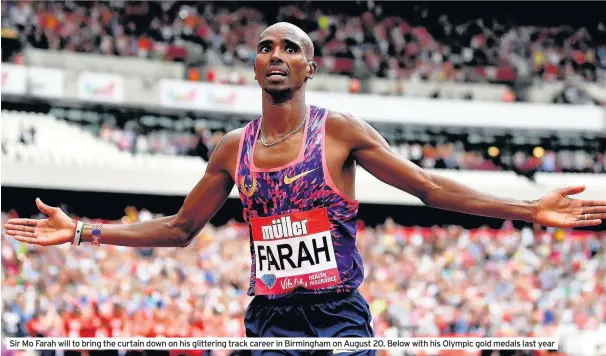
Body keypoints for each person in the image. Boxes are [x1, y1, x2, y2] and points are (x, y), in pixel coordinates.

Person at [4, 22, 606, 355]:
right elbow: (179, 229)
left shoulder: (339, 134)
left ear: (308, 68)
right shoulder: (232, 150)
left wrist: (528, 208)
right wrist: (83, 230)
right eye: (264, 46)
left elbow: (426, 188)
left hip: (338, 317)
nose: (274, 54)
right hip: (269, 320)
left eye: (290, 47)